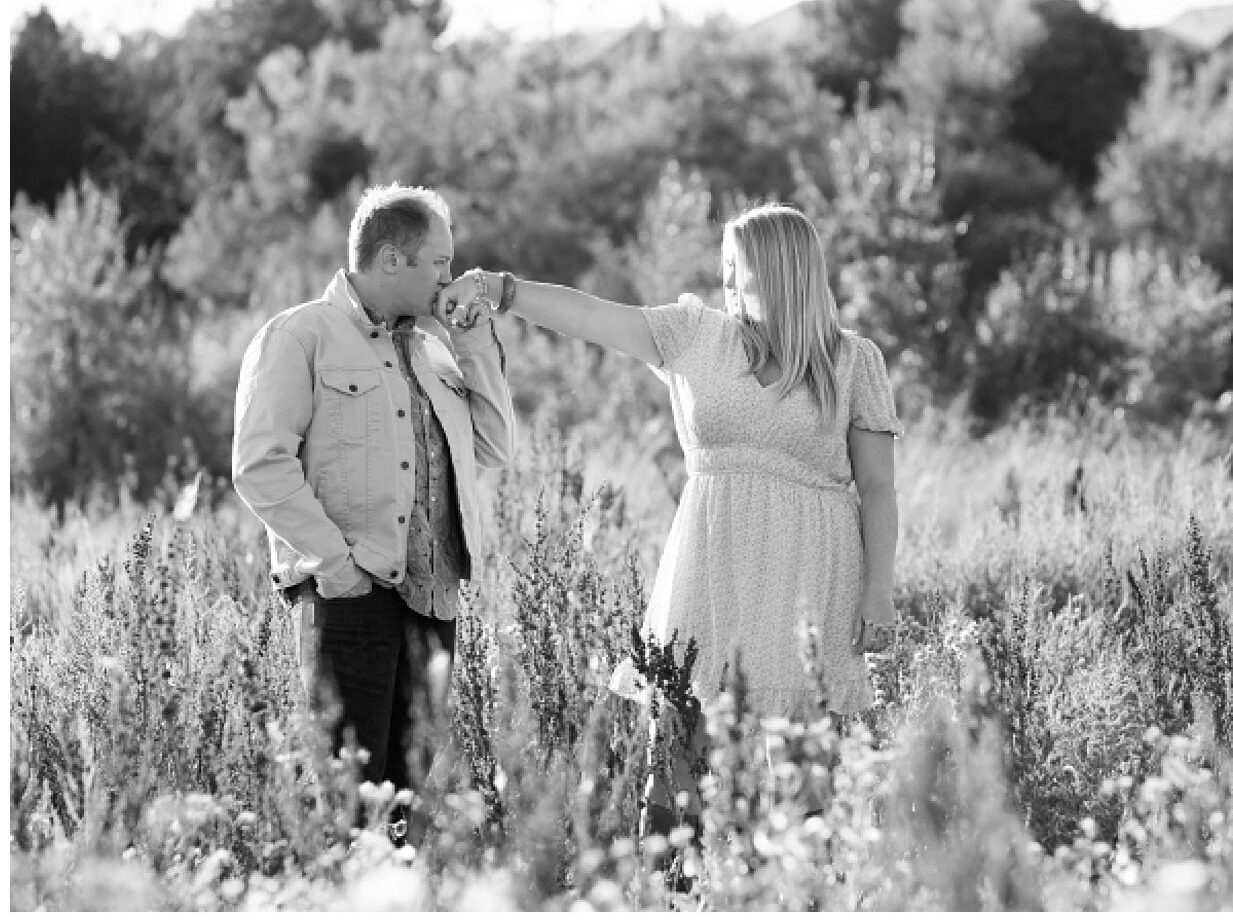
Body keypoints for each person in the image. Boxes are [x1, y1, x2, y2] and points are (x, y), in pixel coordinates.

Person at [439, 202, 901, 837]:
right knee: (680, 744)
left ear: (777, 268)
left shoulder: (852, 363)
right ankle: (669, 891)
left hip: (811, 571)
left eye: (735, 264)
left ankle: (796, 898)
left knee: (803, 771)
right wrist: (503, 291)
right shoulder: (696, 335)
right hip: (709, 565)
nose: (726, 278)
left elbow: (878, 489)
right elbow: (590, 317)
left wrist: (878, 594)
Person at [232, 183, 517, 844]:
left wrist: (474, 342)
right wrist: (336, 566)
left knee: (408, 809)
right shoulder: (300, 334)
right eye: (438, 262)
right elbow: (259, 466)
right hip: (351, 596)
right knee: (348, 804)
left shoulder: (433, 346)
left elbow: (496, 445)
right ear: (391, 260)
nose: (450, 276)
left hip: (434, 602)